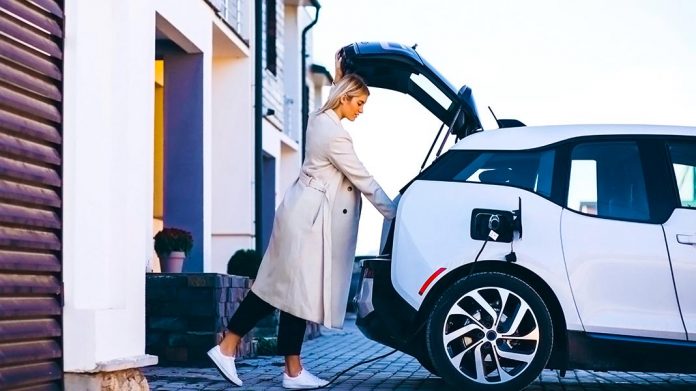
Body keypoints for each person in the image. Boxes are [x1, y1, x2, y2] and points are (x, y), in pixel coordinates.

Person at [207, 53, 396, 389]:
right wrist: (396, 214)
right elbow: (363, 178)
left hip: (305, 215)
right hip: (307, 221)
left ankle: (293, 371)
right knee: (273, 290)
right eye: (360, 103)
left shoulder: (320, 119)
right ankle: (227, 347)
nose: (361, 110)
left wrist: (341, 73)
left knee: (297, 295)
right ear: (345, 98)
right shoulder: (334, 134)